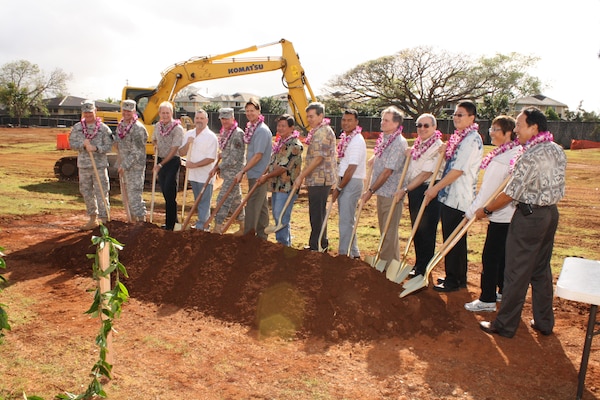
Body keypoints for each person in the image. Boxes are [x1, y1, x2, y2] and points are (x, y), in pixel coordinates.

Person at [479, 107, 566, 338]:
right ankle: (544, 321)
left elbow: (510, 194)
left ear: (534, 127)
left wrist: (486, 209)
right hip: (550, 214)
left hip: (529, 217)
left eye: (519, 125)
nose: (516, 130)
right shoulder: (557, 149)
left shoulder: (530, 155)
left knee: (516, 272)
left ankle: (505, 324)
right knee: (540, 269)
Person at [424, 100, 483, 292]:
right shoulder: (461, 138)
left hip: (459, 198)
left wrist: (435, 188)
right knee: (453, 239)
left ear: (471, 118)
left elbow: (458, 171)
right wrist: (446, 150)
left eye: (461, 115)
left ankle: (454, 281)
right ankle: (456, 277)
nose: (456, 118)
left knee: (453, 240)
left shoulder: (471, 140)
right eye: (455, 115)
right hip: (450, 197)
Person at [463, 116, 520, 312]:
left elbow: (487, 192)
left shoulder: (503, 159)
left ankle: (487, 298)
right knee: (503, 256)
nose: (491, 132)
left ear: (509, 133)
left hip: (501, 217)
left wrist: (470, 213)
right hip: (510, 217)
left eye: (496, 129)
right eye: (491, 128)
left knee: (491, 257)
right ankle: (502, 291)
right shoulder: (513, 153)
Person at [394, 113, 444, 277]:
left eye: (426, 125)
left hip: (428, 190)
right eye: (419, 125)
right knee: (417, 228)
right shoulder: (418, 145)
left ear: (434, 128)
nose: (422, 128)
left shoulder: (437, 147)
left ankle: (424, 267)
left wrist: (405, 189)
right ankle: (419, 264)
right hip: (414, 191)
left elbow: (425, 174)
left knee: (427, 231)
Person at [361, 106, 408, 268]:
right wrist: (374, 158)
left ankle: (386, 265)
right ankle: (391, 263)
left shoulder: (398, 142)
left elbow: (388, 171)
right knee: (386, 230)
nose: (382, 123)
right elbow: (382, 156)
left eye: (386, 120)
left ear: (396, 124)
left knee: (389, 231)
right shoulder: (385, 138)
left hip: (391, 192)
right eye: (382, 119)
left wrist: (370, 191)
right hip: (382, 192)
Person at [293, 102, 337, 251]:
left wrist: (301, 176)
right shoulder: (317, 131)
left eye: (312, 116)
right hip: (315, 179)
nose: (309, 119)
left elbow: (318, 158)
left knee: (317, 213)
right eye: (308, 117)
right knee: (317, 212)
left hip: (320, 178)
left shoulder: (323, 132)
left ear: (321, 116)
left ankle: (317, 245)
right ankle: (320, 243)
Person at [257, 114, 303, 246]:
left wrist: (266, 177)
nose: (280, 128)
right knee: (278, 215)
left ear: (291, 128)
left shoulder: (294, 145)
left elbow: (283, 167)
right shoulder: (281, 143)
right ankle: (284, 244)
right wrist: (264, 173)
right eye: (279, 126)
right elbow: (273, 162)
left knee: (281, 215)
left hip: (288, 186)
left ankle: (282, 244)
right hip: (277, 185)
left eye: (283, 126)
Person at [69, 100, 114, 230]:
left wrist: (96, 148)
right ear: (83, 113)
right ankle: (93, 218)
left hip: (99, 165)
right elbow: (72, 144)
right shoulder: (77, 128)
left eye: (91, 112)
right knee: (86, 191)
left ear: (95, 111)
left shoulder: (103, 129)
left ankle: (105, 220)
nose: (88, 115)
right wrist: (83, 145)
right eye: (86, 113)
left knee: (102, 191)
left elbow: (109, 146)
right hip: (83, 165)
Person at [234, 98, 272, 239]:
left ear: (258, 111)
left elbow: (258, 156)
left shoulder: (261, 131)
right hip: (254, 173)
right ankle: (262, 236)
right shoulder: (252, 128)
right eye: (247, 111)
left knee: (252, 205)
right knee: (261, 206)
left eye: (252, 110)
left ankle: (248, 236)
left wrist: (243, 170)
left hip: (259, 173)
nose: (249, 113)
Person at [332, 109, 367, 258]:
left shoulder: (357, 141)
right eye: (344, 120)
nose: (346, 123)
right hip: (345, 180)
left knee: (346, 221)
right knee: (347, 219)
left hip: (351, 182)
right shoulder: (347, 138)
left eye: (350, 120)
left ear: (356, 122)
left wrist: (339, 187)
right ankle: (353, 252)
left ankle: (343, 254)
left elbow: (351, 168)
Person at [179, 109, 218, 230]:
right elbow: (181, 152)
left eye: (202, 118)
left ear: (206, 120)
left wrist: (194, 165)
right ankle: (201, 222)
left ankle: (203, 226)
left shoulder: (211, 137)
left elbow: (211, 158)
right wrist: (187, 144)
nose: (199, 121)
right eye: (197, 118)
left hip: (205, 175)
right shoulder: (189, 134)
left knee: (204, 202)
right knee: (197, 201)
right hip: (193, 175)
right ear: (194, 119)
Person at [211, 107, 245, 234]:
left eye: (227, 118)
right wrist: (221, 156)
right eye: (222, 119)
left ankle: (218, 227)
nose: (224, 121)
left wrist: (219, 166)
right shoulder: (225, 132)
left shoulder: (238, 134)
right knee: (236, 201)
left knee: (222, 199)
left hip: (234, 173)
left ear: (232, 118)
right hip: (228, 172)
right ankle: (243, 225)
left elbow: (234, 158)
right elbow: (226, 152)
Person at [152, 101, 184, 231]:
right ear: (159, 113)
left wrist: (161, 164)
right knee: (165, 192)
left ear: (172, 113)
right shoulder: (157, 126)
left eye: (167, 112)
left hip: (171, 161)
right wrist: (155, 144)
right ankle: (173, 221)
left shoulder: (177, 128)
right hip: (160, 160)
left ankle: (171, 225)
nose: (165, 115)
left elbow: (174, 149)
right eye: (163, 113)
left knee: (170, 192)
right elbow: (154, 139)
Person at [115, 99, 148, 222]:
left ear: (134, 111)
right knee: (126, 196)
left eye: (129, 111)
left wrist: (124, 165)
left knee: (134, 195)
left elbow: (137, 152)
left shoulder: (138, 128)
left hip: (135, 168)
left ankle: (140, 221)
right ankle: (131, 221)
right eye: (124, 110)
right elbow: (118, 142)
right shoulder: (121, 126)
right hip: (123, 165)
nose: (126, 113)